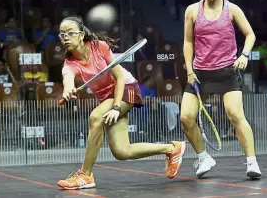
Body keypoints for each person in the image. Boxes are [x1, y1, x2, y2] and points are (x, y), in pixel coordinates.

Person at [56, 16, 187, 189]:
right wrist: (68, 90)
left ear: (81, 35)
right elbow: (68, 80)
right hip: (109, 98)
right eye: (62, 34)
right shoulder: (70, 63)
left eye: (70, 33)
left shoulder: (99, 47)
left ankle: (85, 175)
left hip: (127, 88)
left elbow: (119, 78)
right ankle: (172, 148)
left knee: (96, 118)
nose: (65, 37)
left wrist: (117, 107)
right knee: (122, 151)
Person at [180, 0, 262, 179]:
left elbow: (250, 34)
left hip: (227, 71)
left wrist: (244, 55)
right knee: (186, 118)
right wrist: (189, 70)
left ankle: (252, 162)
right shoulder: (191, 11)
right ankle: (204, 157)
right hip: (199, 72)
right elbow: (188, 42)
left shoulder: (232, 10)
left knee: (235, 115)